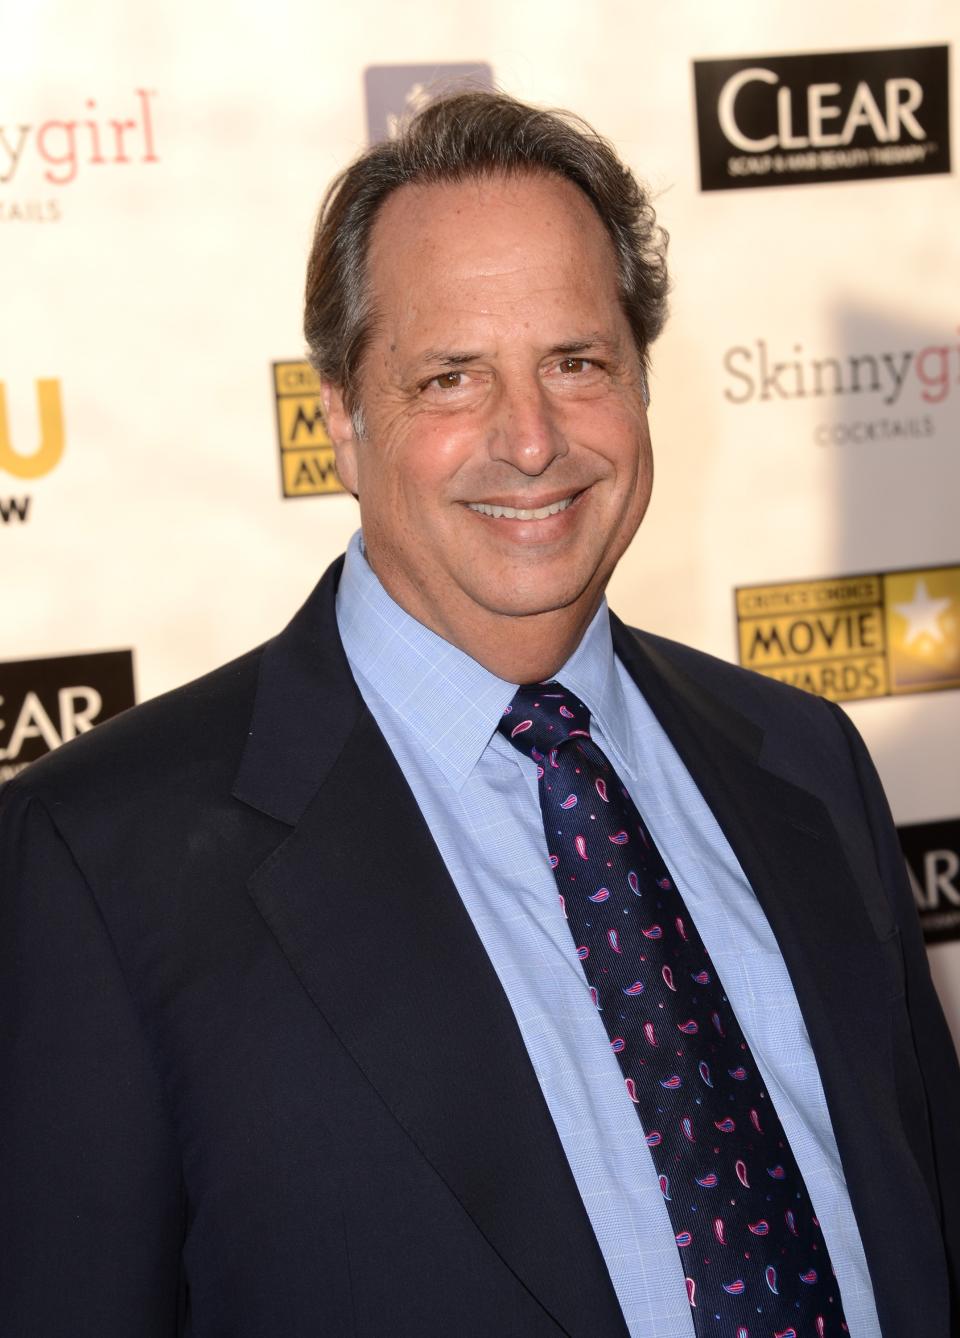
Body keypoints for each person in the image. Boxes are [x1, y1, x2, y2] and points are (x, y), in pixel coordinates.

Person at [1, 91, 957, 1338]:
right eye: (451, 378)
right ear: (340, 419)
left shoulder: (804, 759)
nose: (532, 439)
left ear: (644, 382)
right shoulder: (99, 863)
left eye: (578, 362)